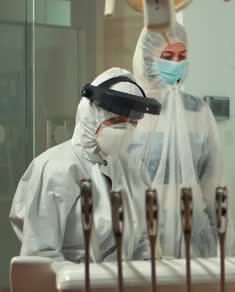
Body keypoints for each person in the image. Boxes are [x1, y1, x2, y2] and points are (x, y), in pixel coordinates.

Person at [9, 67, 161, 262]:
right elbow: (41, 257)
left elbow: (144, 240)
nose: (125, 129)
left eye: (132, 122)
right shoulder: (55, 169)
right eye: (116, 120)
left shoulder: (131, 169)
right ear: (91, 115)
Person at [130, 23, 223, 258]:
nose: (176, 63)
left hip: (191, 235)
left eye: (182, 56)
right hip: (137, 235)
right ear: (147, 57)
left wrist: (217, 238)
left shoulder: (198, 111)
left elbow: (212, 182)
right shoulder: (128, 108)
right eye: (168, 56)